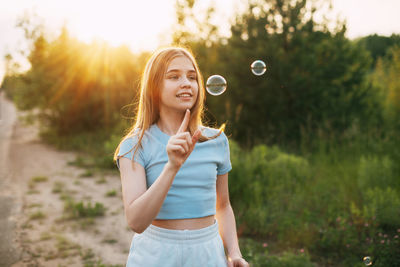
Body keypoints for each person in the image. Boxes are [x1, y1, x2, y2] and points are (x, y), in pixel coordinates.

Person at [114, 46, 249, 267]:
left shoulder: (216, 140)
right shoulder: (134, 145)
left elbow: (223, 206)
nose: (186, 82)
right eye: (174, 76)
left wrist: (234, 252)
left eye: (192, 77)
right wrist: (172, 167)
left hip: (207, 251)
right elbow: (136, 222)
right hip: (156, 253)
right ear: (154, 87)